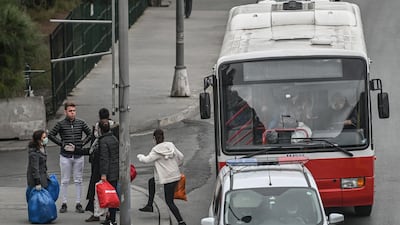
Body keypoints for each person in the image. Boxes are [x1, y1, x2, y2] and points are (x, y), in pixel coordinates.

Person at [48, 101, 92, 213]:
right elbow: (51, 135)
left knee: (78, 180)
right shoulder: (61, 124)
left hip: (78, 154)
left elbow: (90, 134)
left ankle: (78, 203)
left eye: (74, 111)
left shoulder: (81, 123)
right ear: (65, 112)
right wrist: (62, 144)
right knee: (65, 180)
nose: (72, 113)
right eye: (70, 111)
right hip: (65, 155)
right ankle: (64, 203)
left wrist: (82, 143)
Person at [137, 129, 187, 225]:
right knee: (152, 181)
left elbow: (146, 160)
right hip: (175, 175)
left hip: (168, 178)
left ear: (154, 138)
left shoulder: (156, 150)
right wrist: (177, 165)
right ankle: (149, 204)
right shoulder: (170, 146)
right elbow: (181, 157)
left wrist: (140, 156)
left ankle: (181, 221)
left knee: (169, 202)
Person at [85, 108, 116, 222]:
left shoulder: (102, 133)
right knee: (107, 191)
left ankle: (102, 215)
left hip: (101, 166)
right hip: (106, 165)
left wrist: (103, 173)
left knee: (100, 190)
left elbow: (100, 151)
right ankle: (107, 216)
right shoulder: (113, 128)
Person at [98, 119, 119, 225]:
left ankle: (111, 220)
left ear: (100, 130)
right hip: (115, 170)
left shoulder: (103, 141)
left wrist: (103, 174)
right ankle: (111, 218)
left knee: (108, 196)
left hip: (109, 172)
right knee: (112, 195)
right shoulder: (114, 138)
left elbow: (104, 158)